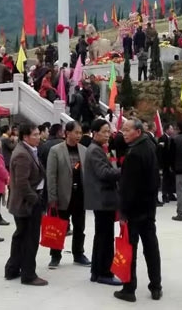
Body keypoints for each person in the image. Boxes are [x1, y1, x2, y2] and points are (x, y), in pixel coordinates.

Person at [113, 119, 162, 303]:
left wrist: (123, 212)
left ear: (138, 132)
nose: (123, 133)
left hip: (134, 210)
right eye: (122, 130)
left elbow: (128, 187)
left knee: (130, 249)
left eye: (127, 130)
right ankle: (156, 286)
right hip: (148, 208)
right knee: (151, 248)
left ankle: (129, 288)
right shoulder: (150, 146)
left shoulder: (134, 153)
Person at [4, 124, 47, 286]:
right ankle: (28, 274)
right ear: (25, 137)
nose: (38, 137)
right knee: (29, 239)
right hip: (27, 203)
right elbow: (22, 183)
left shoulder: (29, 150)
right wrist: (34, 199)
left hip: (27, 201)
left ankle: (13, 268)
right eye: (34, 135)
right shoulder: (22, 154)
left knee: (21, 236)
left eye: (38, 134)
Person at [46, 120, 90, 269]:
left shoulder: (84, 150)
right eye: (76, 132)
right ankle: (55, 256)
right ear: (67, 133)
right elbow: (51, 175)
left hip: (80, 195)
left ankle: (78, 254)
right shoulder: (56, 150)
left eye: (80, 133)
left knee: (79, 227)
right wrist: (52, 197)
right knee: (59, 227)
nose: (79, 135)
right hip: (62, 195)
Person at [83, 119, 121, 285]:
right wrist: (123, 170)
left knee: (101, 236)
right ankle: (104, 272)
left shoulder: (98, 149)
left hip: (102, 199)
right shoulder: (95, 150)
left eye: (108, 131)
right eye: (104, 131)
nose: (108, 135)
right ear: (95, 132)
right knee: (105, 237)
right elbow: (104, 173)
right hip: (103, 199)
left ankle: (96, 271)